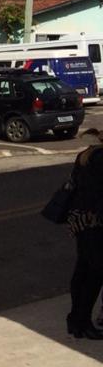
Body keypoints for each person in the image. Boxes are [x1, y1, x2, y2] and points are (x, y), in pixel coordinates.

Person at [65, 128, 103, 339]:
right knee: (95, 274)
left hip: (80, 220)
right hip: (95, 222)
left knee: (82, 270)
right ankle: (84, 322)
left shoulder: (86, 155)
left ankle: (75, 320)